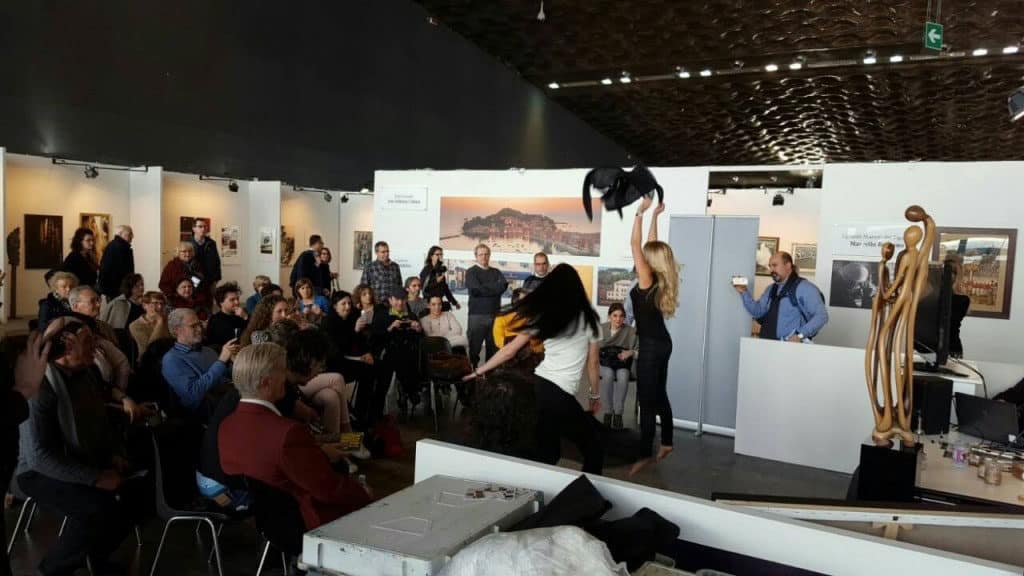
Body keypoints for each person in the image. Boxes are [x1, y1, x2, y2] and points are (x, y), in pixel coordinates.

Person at [16, 317, 135, 576]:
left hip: (78, 460)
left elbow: (99, 420)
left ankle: (95, 559)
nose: (97, 347)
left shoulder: (87, 374)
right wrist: (96, 478)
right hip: (37, 472)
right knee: (95, 508)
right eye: (89, 342)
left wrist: (114, 454)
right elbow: (38, 456)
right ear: (68, 346)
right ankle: (53, 569)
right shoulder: (41, 386)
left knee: (135, 497)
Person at [462, 264, 604, 474]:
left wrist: (479, 371)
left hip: (540, 386)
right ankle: (586, 492)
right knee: (594, 448)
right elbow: (593, 362)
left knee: (549, 451)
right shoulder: (590, 319)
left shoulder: (546, 315)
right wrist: (594, 394)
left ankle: (530, 486)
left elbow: (509, 351)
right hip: (559, 393)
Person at [218, 343, 372, 531]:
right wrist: (363, 493)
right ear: (266, 383)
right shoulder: (287, 433)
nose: (286, 377)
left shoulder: (226, 426)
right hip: (302, 523)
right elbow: (326, 489)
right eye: (283, 372)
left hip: (264, 522)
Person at [629, 197, 677, 476]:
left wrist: (639, 212)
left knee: (646, 403)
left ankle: (644, 455)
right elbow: (649, 245)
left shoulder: (647, 278)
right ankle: (667, 442)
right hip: (663, 343)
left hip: (650, 347)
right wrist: (655, 216)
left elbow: (636, 245)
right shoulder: (660, 277)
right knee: (659, 394)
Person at [735, 251, 828, 343]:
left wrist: (800, 335)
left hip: (791, 347)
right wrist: (744, 292)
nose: (771, 270)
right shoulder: (770, 289)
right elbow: (757, 312)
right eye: (770, 266)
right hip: (766, 344)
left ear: (788, 265)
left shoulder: (805, 288)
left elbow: (821, 316)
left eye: (775, 265)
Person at [161, 308, 240, 415]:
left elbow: (223, 377)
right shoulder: (172, 359)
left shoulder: (208, 350)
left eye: (199, 324)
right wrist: (221, 361)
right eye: (193, 326)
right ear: (177, 330)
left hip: (227, 396)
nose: (199, 329)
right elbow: (193, 394)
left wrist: (236, 362)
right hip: (206, 411)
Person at [372, 287, 424, 411]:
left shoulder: (411, 316)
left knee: (412, 359)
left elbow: (420, 339)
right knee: (386, 375)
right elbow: (375, 338)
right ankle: (407, 390)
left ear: (406, 300)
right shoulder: (381, 315)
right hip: (387, 354)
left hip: (406, 354)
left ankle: (408, 389)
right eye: (396, 299)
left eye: (403, 299)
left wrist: (418, 329)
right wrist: (390, 328)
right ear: (390, 300)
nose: (400, 302)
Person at [465, 243, 508, 368]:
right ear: (476, 256)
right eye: (481, 254)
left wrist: (484, 288)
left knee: (493, 348)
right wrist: (494, 288)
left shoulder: (496, 272)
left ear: (489, 255)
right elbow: (475, 290)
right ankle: (473, 372)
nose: (484, 257)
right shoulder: (471, 272)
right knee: (474, 348)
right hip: (477, 316)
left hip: (495, 316)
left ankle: (489, 374)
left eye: (486, 254)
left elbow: (503, 286)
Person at [598, 303, 638, 430]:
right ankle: (608, 412)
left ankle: (618, 413)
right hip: (604, 362)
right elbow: (594, 349)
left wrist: (630, 352)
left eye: (621, 316)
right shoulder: (601, 328)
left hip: (622, 363)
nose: (618, 319)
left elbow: (639, 350)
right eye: (615, 315)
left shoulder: (631, 331)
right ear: (609, 316)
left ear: (624, 317)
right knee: (608, 375)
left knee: (623, 375)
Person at [159, 242, 210, 311]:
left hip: (195, 300)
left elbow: (203, 285)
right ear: (178, 253)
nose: (188, 254)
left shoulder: (197, 266)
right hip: (176, 301)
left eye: (190, 251)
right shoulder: (171, 266)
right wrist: (175, 295)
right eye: (184, 251)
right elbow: (163, 284)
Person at [206, 282, 249, 352]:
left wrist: (246, 317)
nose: (237, 302)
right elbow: (211, 345)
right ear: (221, 302)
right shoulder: (215, 320)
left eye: (237, 299)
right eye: (232, 300)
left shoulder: (243, 315)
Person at [98, 225, 134, 303]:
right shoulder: (118, 247)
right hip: (117, 289)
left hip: (116, 289)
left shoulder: (116, 246)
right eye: (129, 234)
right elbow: (116, 271)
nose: (132, 236)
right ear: (120, 234)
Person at [419, 246, 460, 311]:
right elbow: (424, 288)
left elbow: (445, 289)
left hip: (439, 303)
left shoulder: (440, 270)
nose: (440, 256)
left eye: (441, 254)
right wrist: (436, 281)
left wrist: (454, 302)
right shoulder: (426, 270)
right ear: (431, 256)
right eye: (437, 254)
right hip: (429, 304)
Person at [129, 291, 171, 356]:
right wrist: (160, 323)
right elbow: (150, 348)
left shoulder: (169, 319)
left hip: (169, 355)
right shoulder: (135, 325)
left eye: (162, 303)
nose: (160, 307)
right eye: (155, 303)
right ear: (144, 305)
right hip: (150, 358)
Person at [189, 218, 221, 301]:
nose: (203, 229)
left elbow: (217, 261)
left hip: (209, 279)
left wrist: (216, 279)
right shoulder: (188, 243)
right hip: (194, 278)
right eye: (200, 226)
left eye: (205, 226)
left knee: (208, 301)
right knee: (194, 300)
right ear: (194, 228)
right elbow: (184, 262)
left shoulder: (211, 243)